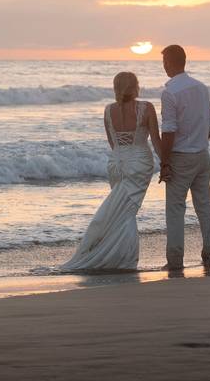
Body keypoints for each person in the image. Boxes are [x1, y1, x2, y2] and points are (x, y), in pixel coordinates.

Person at [57, 71, 162, 271]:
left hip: (116, 163)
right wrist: (167, 164)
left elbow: (113, 144)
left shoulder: (108, 111)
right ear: (136, 87)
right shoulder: (147, 107)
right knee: (128, 211)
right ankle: (124, 259)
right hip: (139, 162)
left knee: (120, 209)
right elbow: (156, 141)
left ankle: (111, 253)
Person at [158, 44, 210, 270]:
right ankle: (209, 254)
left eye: (164, 63)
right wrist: (200, 144)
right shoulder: (201, 88)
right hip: (202, 155)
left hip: (181, 157)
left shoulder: (170, 92)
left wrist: (165, 163)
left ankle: (175, 260)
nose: (163, 67)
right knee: (204, 207)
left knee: (175, 210)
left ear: (170, 63)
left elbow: (169, 130)